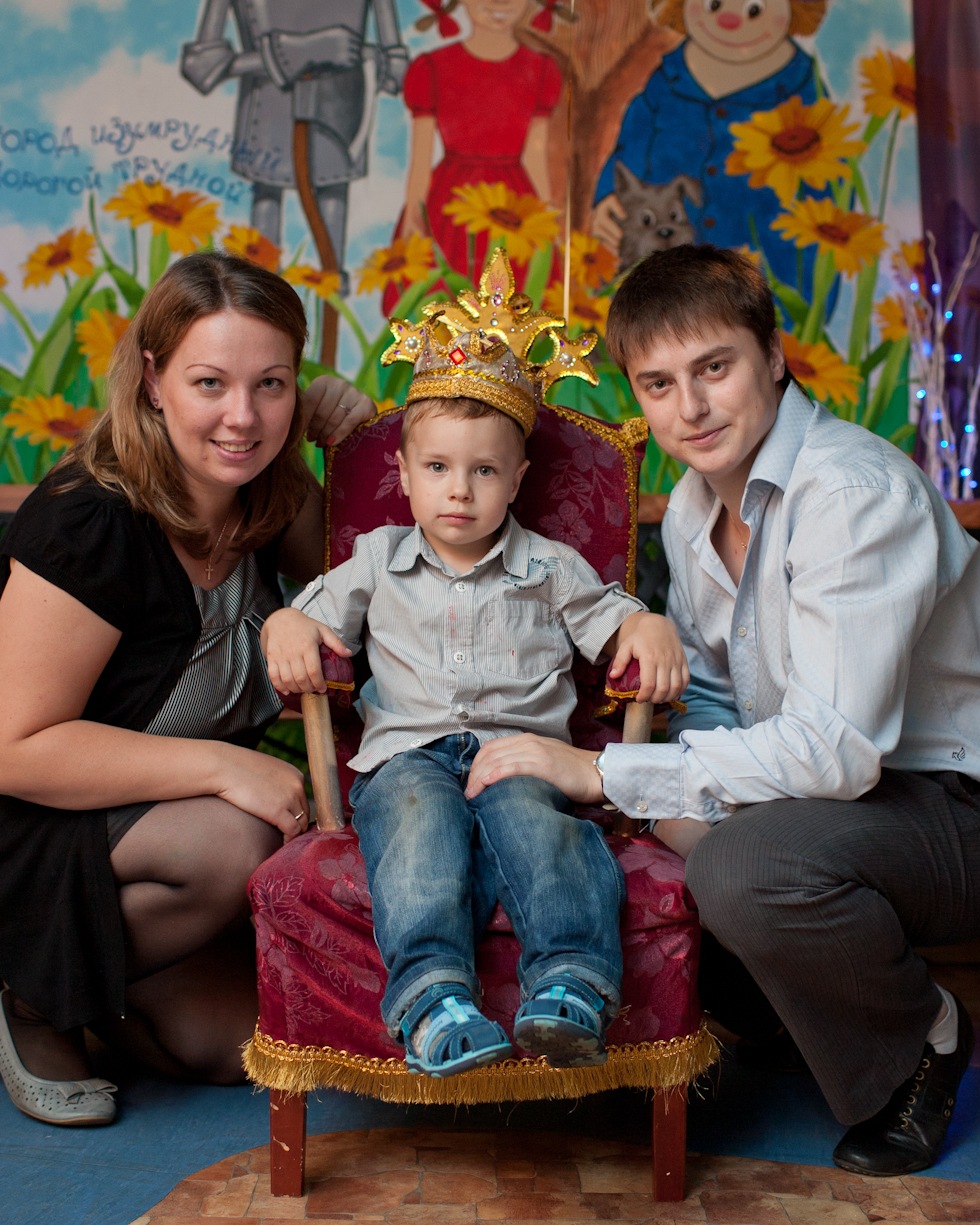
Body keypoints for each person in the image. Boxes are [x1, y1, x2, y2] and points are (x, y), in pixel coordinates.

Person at [464, 244, 980, 1175]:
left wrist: (604, 770)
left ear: (773, 356)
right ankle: (790, 1010)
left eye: (714, 368)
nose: (690, 408)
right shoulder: (693, 510)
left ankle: (923, 1038)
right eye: (658, 385)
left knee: (742, 869)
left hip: (966, 812)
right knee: (640, 833)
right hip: (841, 802)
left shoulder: (851, 494)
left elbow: (838, 751)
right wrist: (640, 790)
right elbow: (713, 697)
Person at [0, 252, 378, 1128]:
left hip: (129, 813)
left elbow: (372, 594)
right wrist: (224, 766)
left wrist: (354, 449)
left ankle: (16, 950)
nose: (242, 416)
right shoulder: (90, 519)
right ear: (152, 380)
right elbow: (11, 752)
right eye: (210, 382)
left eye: (270, 384)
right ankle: (31, 1001)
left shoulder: (263, 489)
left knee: (233, 1043)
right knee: (237, 839)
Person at [261, 253, 687, 1076]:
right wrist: (285, 620)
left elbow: (612, 620)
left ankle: (571, 982)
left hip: (521, 753)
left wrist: (648, 627)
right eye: (438, 469)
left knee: (543, 831)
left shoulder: (551, 566)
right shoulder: (378, 558)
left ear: (518, 479)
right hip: (407, 756)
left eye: (484, 471)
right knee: (417, 834)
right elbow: (309, 616)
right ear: (404, 475)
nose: (459, 491)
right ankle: (434, 999)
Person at [590, 0, 827, 292]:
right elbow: (629, 151)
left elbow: (827, 193)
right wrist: (608, 196)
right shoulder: (667, 80)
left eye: (754, 8)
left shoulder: (802, 90)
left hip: (763, 274)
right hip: (666, 276)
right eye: (714, 4)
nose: (729, 19)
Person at [395, 0, 563, 282]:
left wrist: (547, 221)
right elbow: (420, 160)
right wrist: (413, 217)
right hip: (450, 202)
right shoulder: (431, 67)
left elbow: (536, 158)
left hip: (515, 203)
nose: (501, 3)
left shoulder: (542, 69)